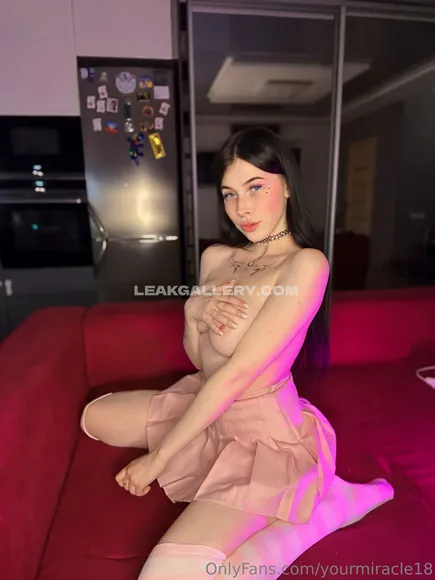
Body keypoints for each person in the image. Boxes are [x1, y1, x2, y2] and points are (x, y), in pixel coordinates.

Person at [80, 128, 394, 579]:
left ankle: (327, 507)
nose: (241, 208)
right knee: (93, 418)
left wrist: (158, 458)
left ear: (287, 185)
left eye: (255, 187)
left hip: (260, 436)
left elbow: (237, 373)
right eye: (229, 194)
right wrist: (192, 314)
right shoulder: (217, 258)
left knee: (165, 575)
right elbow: (202, 361)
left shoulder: (305, 265)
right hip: (207, 404)